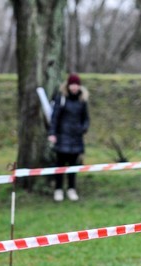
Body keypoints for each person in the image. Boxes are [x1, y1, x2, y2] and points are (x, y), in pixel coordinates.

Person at [48, 73, 90, 202]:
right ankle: (58, 189)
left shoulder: (82, 101)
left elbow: (86, 119)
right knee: (60, 165)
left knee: (73, 166)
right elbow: (54, 118)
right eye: (72, 84)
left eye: (76, 84)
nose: (74, 87)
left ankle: (72, 189)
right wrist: (52, 133)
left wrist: (83, 128)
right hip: (62, 138)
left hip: (76, 138)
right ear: (68, 85)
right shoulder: (61, 99)